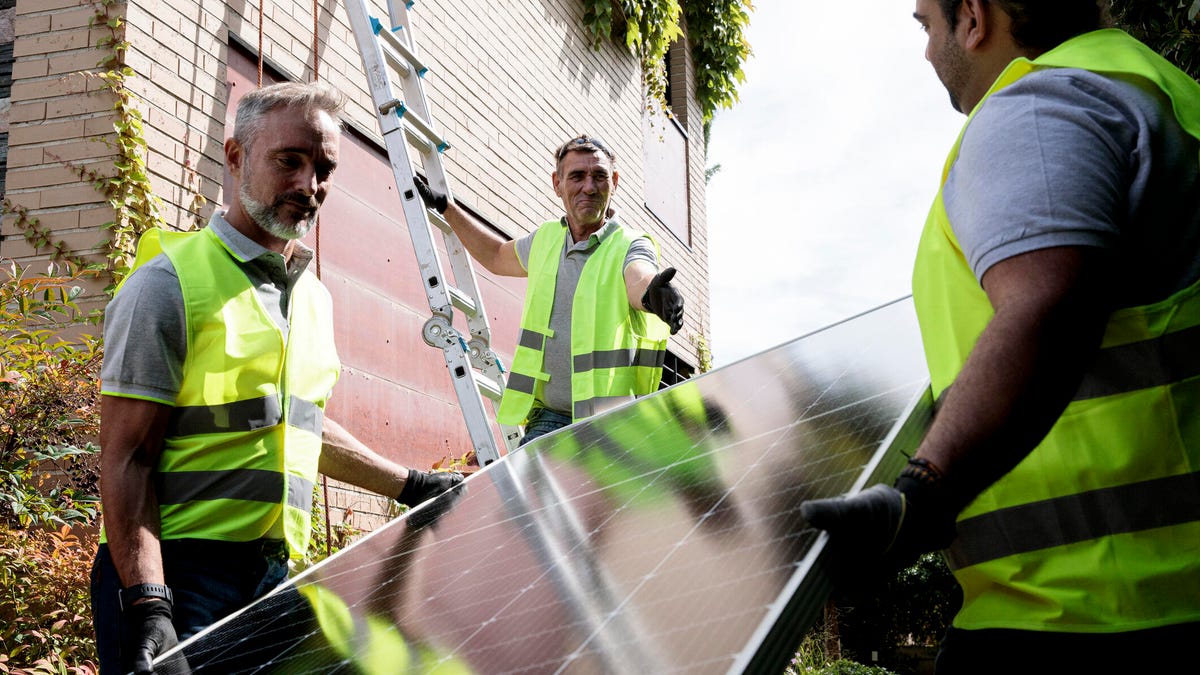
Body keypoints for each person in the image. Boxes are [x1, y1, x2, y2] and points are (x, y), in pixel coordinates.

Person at [800, 1, 1200, 672]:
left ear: (976, 18)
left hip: (1082, 613)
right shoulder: (1160, 91)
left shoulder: (1039, 107)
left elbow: (1047, 303)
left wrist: (922, 497)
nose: (928, 52)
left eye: (928, 24)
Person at [90, 81, 464, 675]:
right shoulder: (167, 286)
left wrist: (410, 485)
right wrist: (149, 603)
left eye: (324, 168)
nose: (308, 185)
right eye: (289, 160)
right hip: (179, 579)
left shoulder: (311, 299)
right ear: (236, 158)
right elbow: (125, 457)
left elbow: (298, 426)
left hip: (271, 577)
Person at [413, 135, 685, 445]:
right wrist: (446, 208)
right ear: (557, 183)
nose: (589, 187)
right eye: (577, 176)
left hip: (610, 423)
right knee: (530, 494)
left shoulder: (630, 244)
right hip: (548, 417)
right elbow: (496, 255)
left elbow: (638, 275)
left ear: (615, 181)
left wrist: (652, 293)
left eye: (599, 176)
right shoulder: (545, 239)